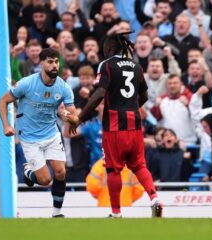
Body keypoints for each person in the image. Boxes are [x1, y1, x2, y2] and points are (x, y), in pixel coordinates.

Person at [69, 32, 163, 218]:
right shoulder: (136, 66)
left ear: (110, 47)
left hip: (113, 127)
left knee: (113, 169)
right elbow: (144, 96)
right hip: (135, 124)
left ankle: (116, 212)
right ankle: (154, 198)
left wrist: (80, 117)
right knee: (139, 166)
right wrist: (131, 107)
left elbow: (98, 94)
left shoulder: (107, 65)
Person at [0, 48, 78, 218]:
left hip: (51, 133)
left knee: (61, 172)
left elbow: (75, 117)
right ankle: (29, 171)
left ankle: (57, 214)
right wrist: (6, 125)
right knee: (44, 180)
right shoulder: (27, 83)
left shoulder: (63, 88)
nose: (54, 65)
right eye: (50, 61)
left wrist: (67, 116)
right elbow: (3, 101)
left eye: (56, 61)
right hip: (29, 137)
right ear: (42, 63)